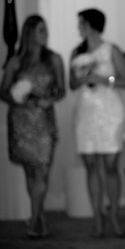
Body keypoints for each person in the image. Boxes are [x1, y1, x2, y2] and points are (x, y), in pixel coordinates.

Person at [0, 15, 66, 239]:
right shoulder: (16, 62)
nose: (45, 34)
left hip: (44, 121)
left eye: (46, 30)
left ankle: (35, 219)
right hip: (21, 121)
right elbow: (3, 90)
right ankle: (39, 219)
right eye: (40, 30)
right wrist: (16, 99)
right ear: (29, 33)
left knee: (43, 171)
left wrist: (50, 99)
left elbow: (61, 90)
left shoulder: (54, 59)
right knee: (30, 172)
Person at [69, 8, 125, 238]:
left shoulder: (112, 50)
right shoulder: (77, 51)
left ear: (91, 25)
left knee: (111, 166)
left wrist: (101, 78)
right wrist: (80, 77)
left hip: (110, 112)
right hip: (86, 113)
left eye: (81, 23)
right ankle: (97, 217)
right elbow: (72, 85)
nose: (78, 28)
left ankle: (113, 216)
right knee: (91, 165)